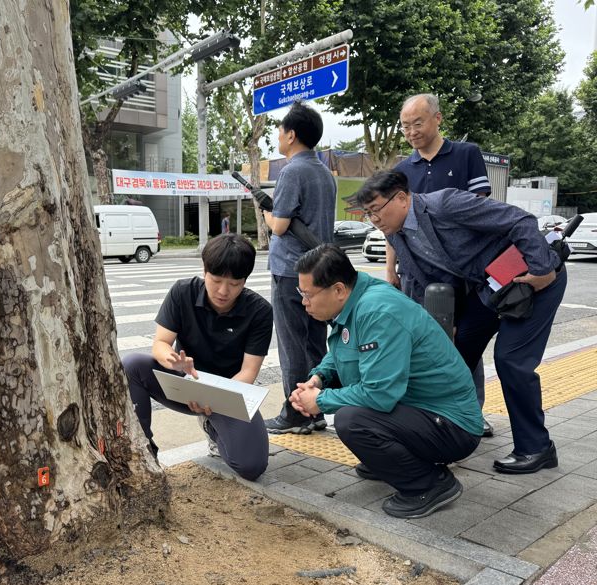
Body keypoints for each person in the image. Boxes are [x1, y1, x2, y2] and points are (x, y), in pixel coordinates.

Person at [354, 170, 567, 474]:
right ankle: (429, 442)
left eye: (376, 209)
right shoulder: (396, 233)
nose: (373, 219)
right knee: (447, 359)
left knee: (510, 361)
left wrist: (542, 269)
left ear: (401, 198)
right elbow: (421, 279)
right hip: (490, 289)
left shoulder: (445, 204)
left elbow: (520, 220)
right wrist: (435, 328)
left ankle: (537, 447)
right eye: (367, 213)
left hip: (533, 280)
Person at [289, 245, 481, 519]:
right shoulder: (357, 300)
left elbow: (379, 394)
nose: (304, 302)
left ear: (339, 289)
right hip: (422, 411)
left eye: (307, 295)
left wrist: (319, 401)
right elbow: (345, 351)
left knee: (351, 421)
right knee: (354, 417)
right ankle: (390, 460)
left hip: (453, 425)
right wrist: (318, 378)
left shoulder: (377, 311)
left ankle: (430, 485)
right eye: (301, 294)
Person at [121, 233, 272, 481]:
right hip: (184, 382)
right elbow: (160, 343)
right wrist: (173, 360)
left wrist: (214, 398)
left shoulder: (260, 311)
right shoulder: (183, 292)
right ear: (204, 271)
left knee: (252, 466)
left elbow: (248, 372)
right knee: (132, 364)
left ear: (245, 280)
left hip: (226, 393)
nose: (223, 291)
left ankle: (213, 426)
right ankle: (144, 449)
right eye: (216, 280)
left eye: (234, 284)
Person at [391, 93, 495, 437]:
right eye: (405, 126)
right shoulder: (403, 170)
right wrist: (390, 271)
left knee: (466, 342)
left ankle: (471, 412)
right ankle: (431, 412)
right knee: (424, 344)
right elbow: (393, 227)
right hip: (419, 276)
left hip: (463, 272)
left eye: (417, 123)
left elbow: (480, 214)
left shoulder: (466, 155)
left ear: (438, 119)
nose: (411, 131)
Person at [262, 100, 337, 435]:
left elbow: (279, 226)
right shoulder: (324, 172)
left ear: (291, 135)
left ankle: (294, 413)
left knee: (292, 344)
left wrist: (265, 212)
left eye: (280, 130)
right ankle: (315, 408)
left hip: (291, 270)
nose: (279, 136)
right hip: (319, 272)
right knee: (314, 343)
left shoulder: (292, 170)